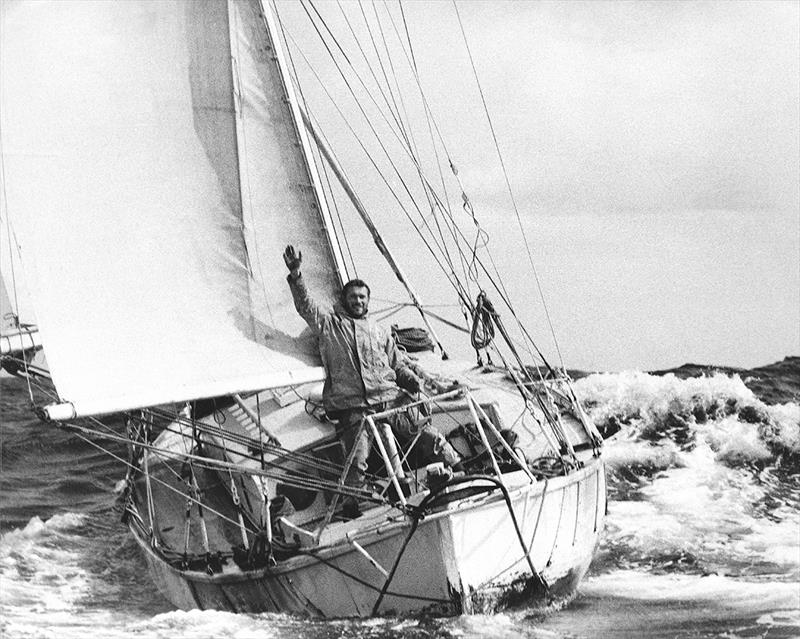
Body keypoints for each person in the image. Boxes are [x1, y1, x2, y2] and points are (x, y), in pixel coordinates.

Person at [283, 245, 461, 517]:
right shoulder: (330, 325)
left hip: (387, 396)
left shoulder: (379, 331)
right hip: (352, 403)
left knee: (424, 432)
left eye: (362, 297)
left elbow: (397, 364)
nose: (357, 301)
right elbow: (305, 306)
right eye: (353, 297)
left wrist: (415, 382)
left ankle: (456, 466)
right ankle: (353, 503)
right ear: (345, 300)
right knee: (357, 456)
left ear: (368, 301)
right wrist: (296, 275)